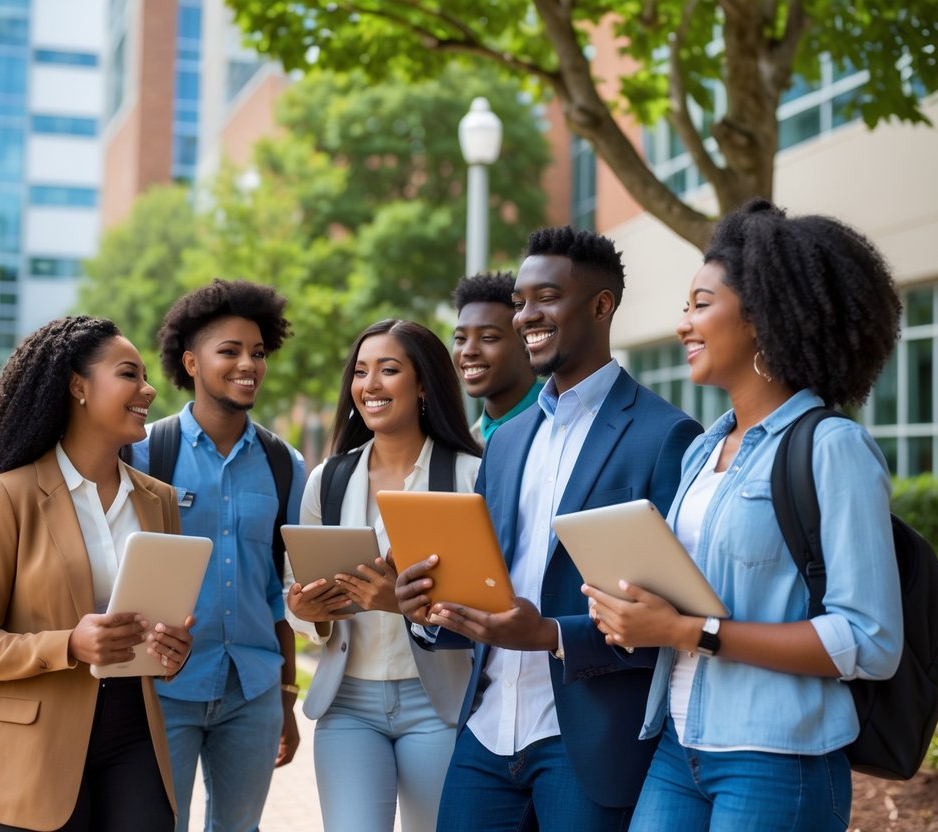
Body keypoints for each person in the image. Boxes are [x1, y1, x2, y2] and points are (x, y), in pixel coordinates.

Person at [583, 199, 904, 831]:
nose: (684, 325)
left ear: (762, 317)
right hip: (678, 747)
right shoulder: (705, 449)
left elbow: (870, 641)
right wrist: (635, 613)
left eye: (701, 304)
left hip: (778, 759)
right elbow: (694, 595)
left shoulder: (831, 446)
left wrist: (687, 631)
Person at [396, 227, 704, 830]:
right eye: (519, 301)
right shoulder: (506, 442)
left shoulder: (665, 436)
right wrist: (427, 612)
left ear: (601, 304)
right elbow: (484, 586)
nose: (526, 316)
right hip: (484, 735)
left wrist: (553, 635)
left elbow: (671, 615)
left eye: (546, 298)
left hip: (584, 743)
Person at [0, 316, 193, 832]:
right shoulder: (8, 495)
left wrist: (174, 650)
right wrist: (69, 645)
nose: (148, 389)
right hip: (32, 745)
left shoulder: (159, 499)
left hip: (134, 734)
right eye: (129, 374)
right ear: (78, 386)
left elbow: (165, 623)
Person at [286, 319, 482, 832]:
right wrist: (307, 613)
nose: (369, 385)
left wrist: (402, 604)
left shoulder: (469, 476)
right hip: (346, 703)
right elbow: (297, 592)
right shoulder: (326, 480)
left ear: (423, 385)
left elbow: (492, 602)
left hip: (437, 702)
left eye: (389, 370)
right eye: (360, 371)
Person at [128, 279, 307, 832]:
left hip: (252, 689)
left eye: (257, 352)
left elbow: (278, 589)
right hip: (165, 688)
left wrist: (285, 696)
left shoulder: (285, 465)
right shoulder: (145, 452)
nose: (247, 363)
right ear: (192, 362)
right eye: (229, 351)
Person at [452, 272, 542, 447]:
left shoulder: (562, 424)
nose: (468, 351)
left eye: (488, 337)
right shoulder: (469, 444)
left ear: (528, 342)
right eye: (460, 338)